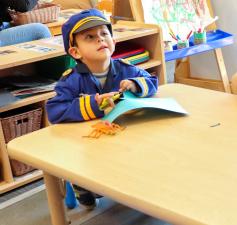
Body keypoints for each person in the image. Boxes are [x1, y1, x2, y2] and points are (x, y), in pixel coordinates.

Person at [46, 9, 158, 209]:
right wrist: (93, 104)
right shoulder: (71, 80)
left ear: (113, 41)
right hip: (87, 143)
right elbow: (54, 110)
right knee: (88, 177)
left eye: (104, 34)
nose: (100, 39)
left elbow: (152, 82)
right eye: (90, 37)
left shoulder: (126, 68)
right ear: (75, 52)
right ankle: (81, 183)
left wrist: (135, 84)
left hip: (122, 137)